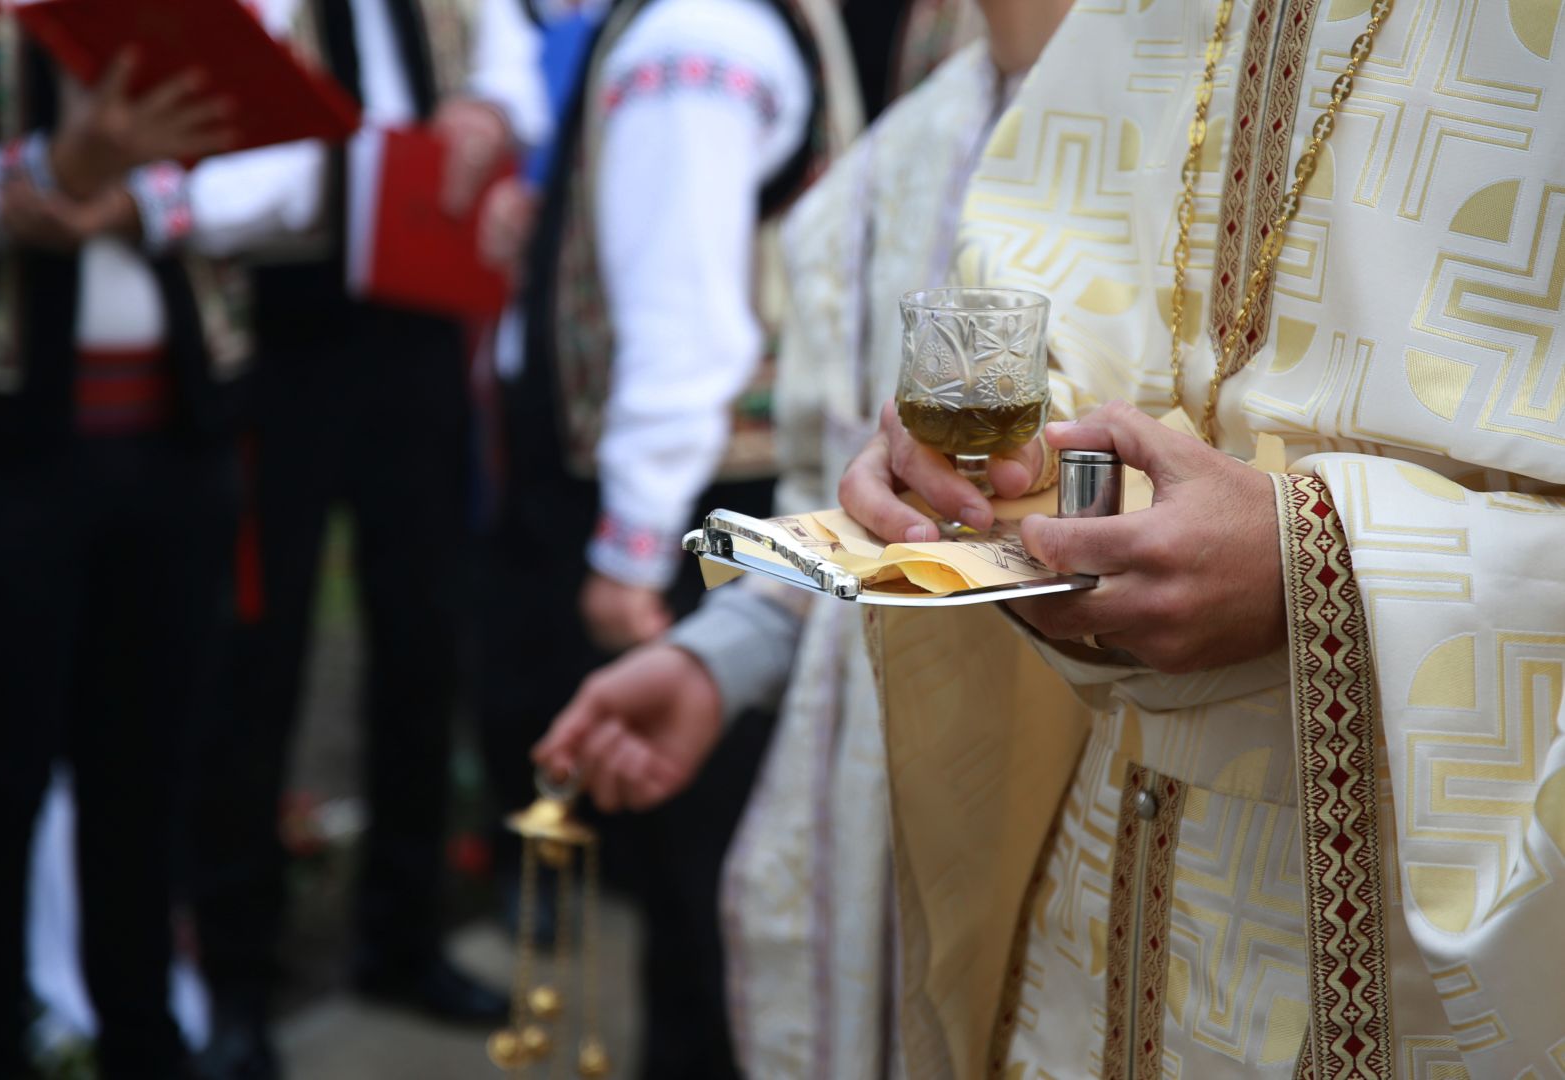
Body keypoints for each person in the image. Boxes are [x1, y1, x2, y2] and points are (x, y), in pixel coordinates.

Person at [825, 0, 1565, 1074]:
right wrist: (975, 454)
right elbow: (1058, 310)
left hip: (1409, 930)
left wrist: (1321, 565)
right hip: (1100, 897)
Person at [531, 1, 1072, 1076]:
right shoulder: (891, 164)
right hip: (872, 808)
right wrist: (723, 655)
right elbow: (840, 511)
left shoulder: (1222, 126)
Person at [0, 9, 334, 1074]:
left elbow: (298, 167)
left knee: (151, 781)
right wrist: (42, 173)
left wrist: (141, 201)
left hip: (176, 445)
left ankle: (146, 1041)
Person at [183, 1, 549, 1077]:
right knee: (258, 660)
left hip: (417, 322)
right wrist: (346, 172)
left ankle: (403, 935)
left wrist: (487, 114)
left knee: (424, 640)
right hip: (275, 335)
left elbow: (512, 60)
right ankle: (237, 983)